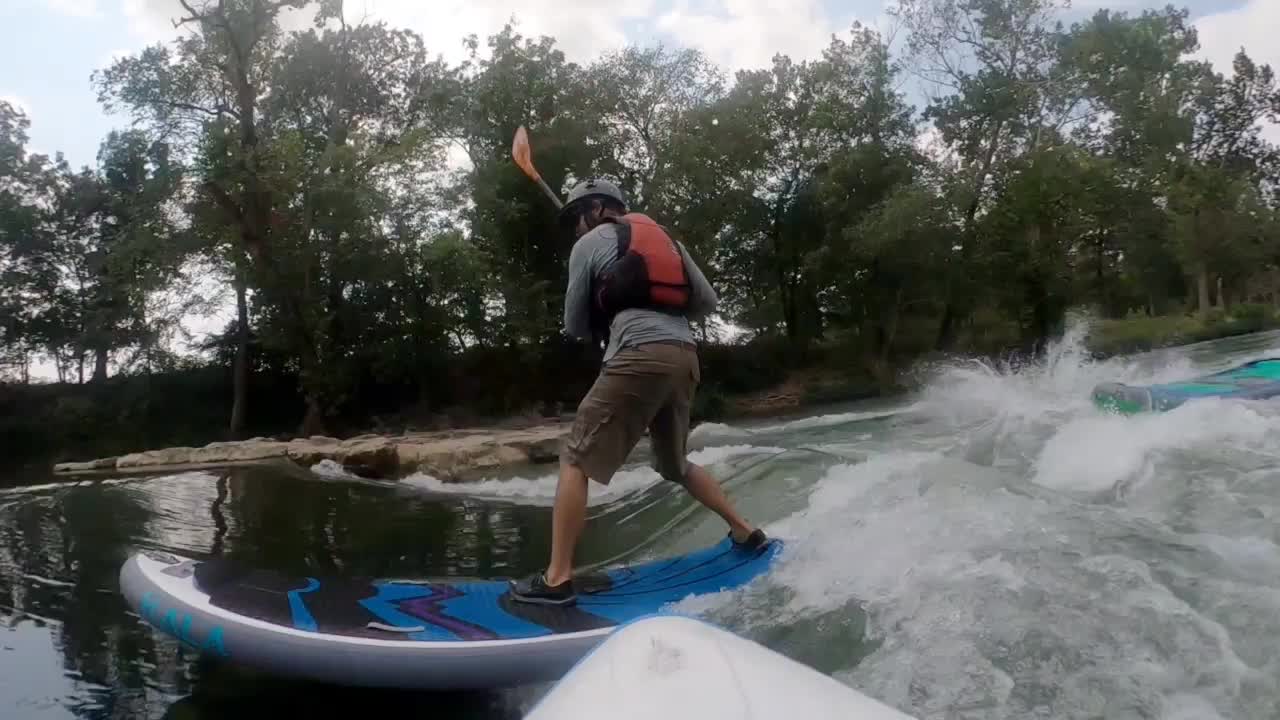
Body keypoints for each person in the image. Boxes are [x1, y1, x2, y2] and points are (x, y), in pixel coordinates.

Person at [508, 178, 767, 607]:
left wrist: (606, 301)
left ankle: (556, 581)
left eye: (576, 217)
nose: (575, 227)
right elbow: (706, 301)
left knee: (575, 458)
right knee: (673, 464)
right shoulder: (666, 240)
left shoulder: (586, 246)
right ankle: (745, 531)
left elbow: (574, 326)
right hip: (685, 355)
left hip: (637, 354)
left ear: (595, 210)